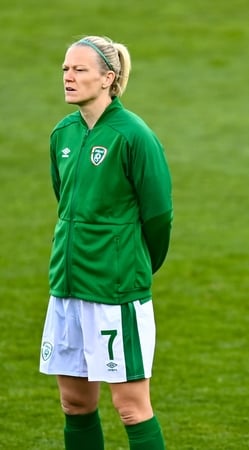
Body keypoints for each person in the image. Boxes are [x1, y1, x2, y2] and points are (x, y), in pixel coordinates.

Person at [40, 35, 173, 450]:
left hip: (116, 289)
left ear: (108, 78)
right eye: (65, 68)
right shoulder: (62, 133)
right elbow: (66, 201)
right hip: (67, 283)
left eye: (79, 69)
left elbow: (158, 216)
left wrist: (130, 263)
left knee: (131, 407)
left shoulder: (134, 135)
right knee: (74, 403)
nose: (68, 76)